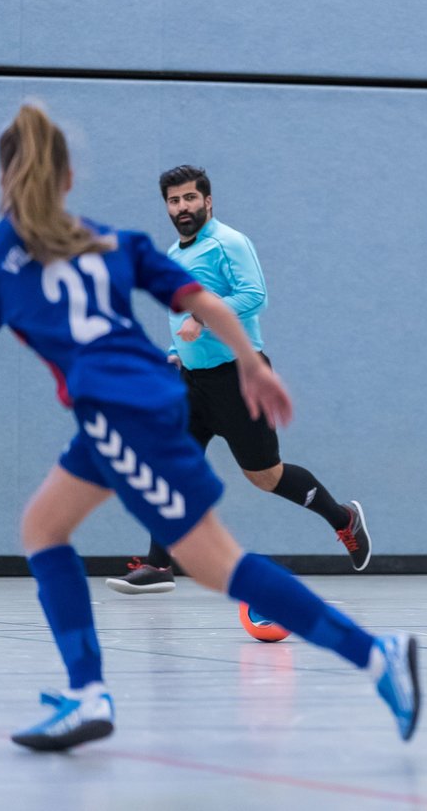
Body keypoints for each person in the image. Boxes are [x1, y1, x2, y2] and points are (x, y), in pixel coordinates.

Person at [0, 105, 420, 749]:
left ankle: (377, 655)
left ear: (4, 180)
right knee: (44, 528)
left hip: (121, 414)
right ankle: (87, 692)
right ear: (70, 179)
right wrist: (254, 363)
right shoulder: (115, 240)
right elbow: (200, 301)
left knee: (217, 564)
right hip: (143, 400)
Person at [104, 165, 370, 595]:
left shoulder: (228, 242)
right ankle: (157, 564)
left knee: (265, 476)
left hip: (239, 377)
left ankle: (343, 519)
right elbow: (181, 315)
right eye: (174, 201)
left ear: (207, 201)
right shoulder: (175, 254)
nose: (182, 207)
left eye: (190, 198)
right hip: (191, 381)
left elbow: (254, 294)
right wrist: (175, 352)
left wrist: (199, 319)